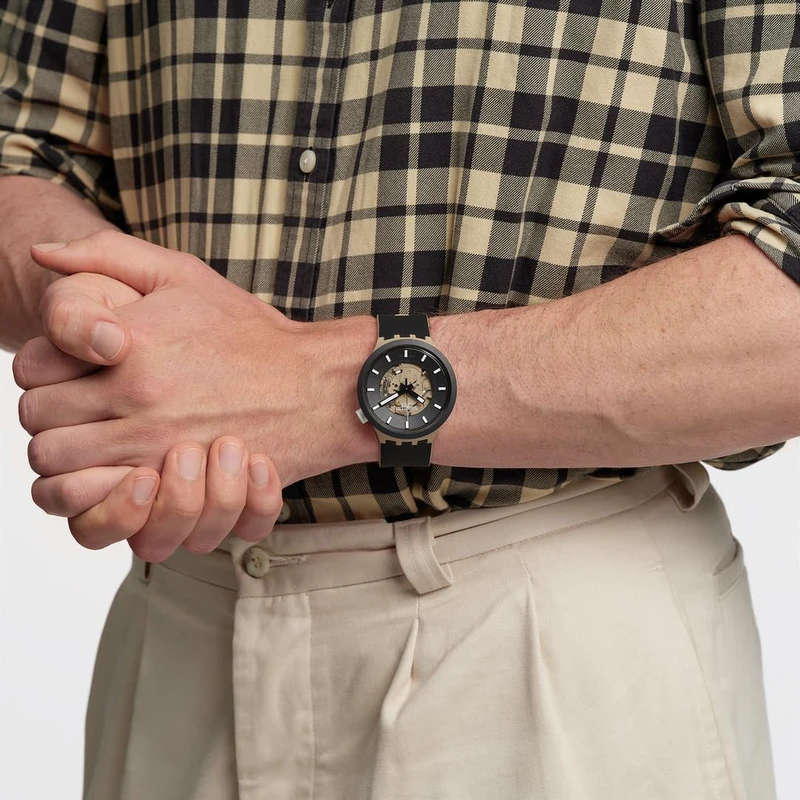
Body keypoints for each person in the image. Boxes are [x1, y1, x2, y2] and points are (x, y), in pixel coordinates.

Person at [1, 0, 796, 796]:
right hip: (180, 630)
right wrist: (92, 309)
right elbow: (23, 154)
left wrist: (317, 387)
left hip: (555, 648)